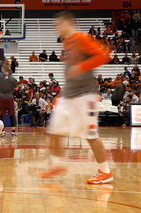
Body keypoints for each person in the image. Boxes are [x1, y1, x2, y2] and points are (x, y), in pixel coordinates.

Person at [41, 11, 113, 184]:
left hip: (84, 96)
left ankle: (105, 172)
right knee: (55, 129)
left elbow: (105, 55)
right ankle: (58, 164)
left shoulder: (82, 39)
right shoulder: (66, 42)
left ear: (68, 23)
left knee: (90, 135)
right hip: (68, 95)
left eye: (58, 24)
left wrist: (82, 66)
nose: (56, 28)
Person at [0, 60, 18, 137]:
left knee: (1, 115)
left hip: (2, 97)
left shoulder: (0, 76)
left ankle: (2, 131)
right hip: (9, 97)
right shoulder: (13, 79)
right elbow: (16, 89)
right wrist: (13, 92)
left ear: (4, 69)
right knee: (12, 115)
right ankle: (13, 132)